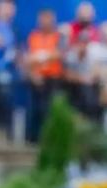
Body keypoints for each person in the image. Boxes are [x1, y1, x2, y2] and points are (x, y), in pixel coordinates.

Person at [25, 8, 63, 141]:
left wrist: (42, 56)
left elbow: (59, 54)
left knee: (50, 109)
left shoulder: (58, 36)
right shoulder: (34, 36)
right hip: (37, 78)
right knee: (37, 109)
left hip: (53, 78)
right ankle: (34, 138)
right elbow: (28, 58)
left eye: (48, 19)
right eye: (43, 20)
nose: (45, 22)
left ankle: (51, 138)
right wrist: (33, 73)